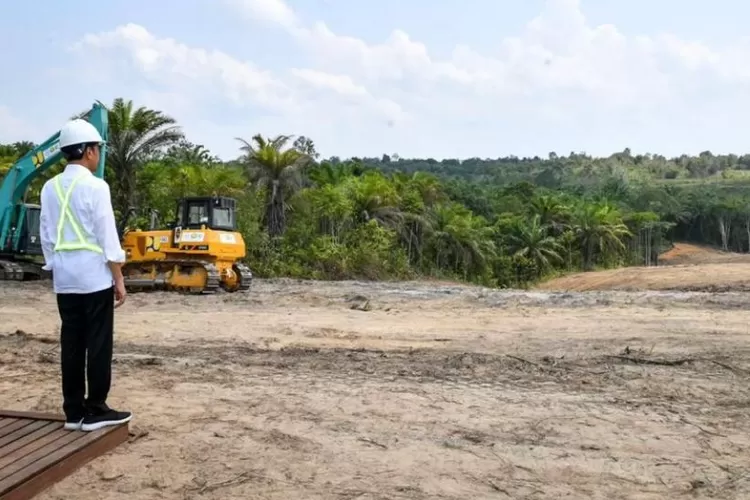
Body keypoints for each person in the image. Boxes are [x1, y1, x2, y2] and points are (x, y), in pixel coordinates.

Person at [39, 118, 132, 432]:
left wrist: (55, 265)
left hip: (65, 278)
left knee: (73, 342)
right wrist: (118, 278)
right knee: (99, 342)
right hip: (93, 277)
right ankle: (96, 408)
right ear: (90, 151)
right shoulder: (96, 186)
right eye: (97, 149)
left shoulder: (49, 188)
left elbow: (47, 235)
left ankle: (73, 411)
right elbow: (108, 238)